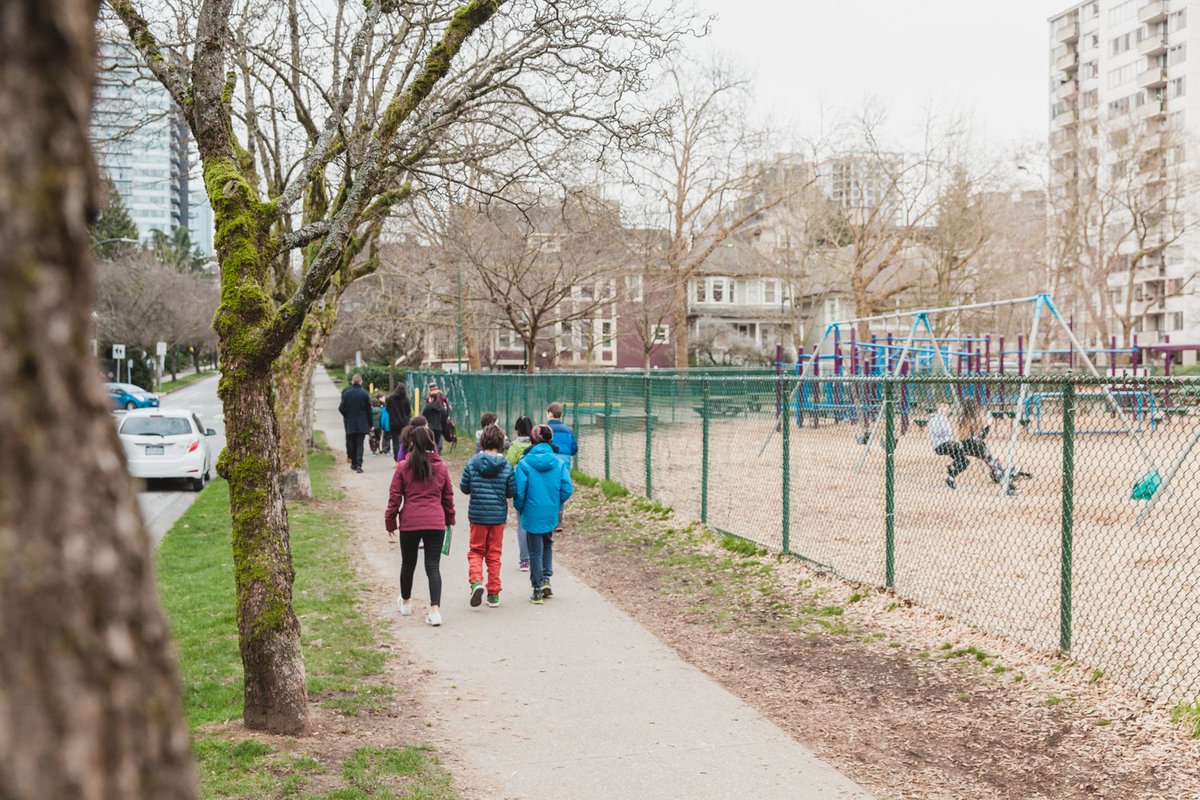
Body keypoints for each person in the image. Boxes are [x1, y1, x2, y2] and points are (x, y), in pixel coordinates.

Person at [384, 427, 455, 626]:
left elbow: (394, 498)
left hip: (410, 522)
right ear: (432, 442)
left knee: (408, 564)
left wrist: (390, 522)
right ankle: (435, 611)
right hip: (435, 522)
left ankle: (406, 602)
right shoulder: (441, 468)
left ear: (412, 443)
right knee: (433, 566)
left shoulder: (403, 467)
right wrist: (449, 520)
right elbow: (448, 497)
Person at [514, 424, 573, 604]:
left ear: (532, 440)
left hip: (531, 511)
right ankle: (547, 578)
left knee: (534, 550)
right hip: (550, 510)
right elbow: (567, 488)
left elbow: (519, 492)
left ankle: (537, 587)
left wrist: (520, 507)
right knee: (547, 543)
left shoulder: (524, 464)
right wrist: (556, 503)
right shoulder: (559, 463)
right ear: (550, 440)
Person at [460, 425, 515, 608]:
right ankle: (493, 593)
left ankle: (476, 582)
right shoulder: (506, 465)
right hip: (498, 517)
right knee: (494, 554)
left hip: (477, 516)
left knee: (476, 551)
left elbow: (464, 487)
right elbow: (510, 492)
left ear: (482, 441)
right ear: (501, 443)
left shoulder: (472, 462)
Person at [505, 415, 534, 571]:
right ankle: (538, 557)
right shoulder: (535, 444)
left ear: (517, 430)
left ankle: (524, 560)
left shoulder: (515, 446)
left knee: (522, 524)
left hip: (520, 487)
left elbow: (508, 465)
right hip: (535, 487)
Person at [338, 374, 372, 473]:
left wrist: (347, 415)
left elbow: (341, 408)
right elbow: (369, 410)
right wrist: (370, 423)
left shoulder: (347, 393)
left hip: (351, 422)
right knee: (360, 444)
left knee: (352, 443)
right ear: (361, 382)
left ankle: (353, 463)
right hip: (362, 422)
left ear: (352, 381)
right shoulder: (365, 394)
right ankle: (359, 464)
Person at [928, 402, 967, 489]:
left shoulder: (942, 418)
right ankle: (951, 469)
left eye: (945, 407)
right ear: (938, 408)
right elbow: (941, 433)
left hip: (946, 444)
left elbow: (949, 434)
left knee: (964, 462)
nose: (943, 409)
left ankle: (951, 474)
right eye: (941, 406)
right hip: (940, 445)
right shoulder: (935, 419)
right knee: (960, 451)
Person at [545, 402, 578, 468]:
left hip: (549, 464)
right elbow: (574, 449)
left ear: (550, 414)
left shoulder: (545, 429)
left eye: (547, 414)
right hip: (565, 464)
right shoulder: (569, 430)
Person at [385, 384, 412, 456]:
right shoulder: (406, 399)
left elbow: (387, 409)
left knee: (395, 441)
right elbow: (408, 412)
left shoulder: (391, 398)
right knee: (403, 441)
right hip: (404, 423)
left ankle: (396, 458)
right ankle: (402, 456)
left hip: (393, 423)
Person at [422, 388, 449, 453]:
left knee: (427, 446)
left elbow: (423, 418)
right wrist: (446, 434)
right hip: (438, 430)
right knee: (435, 446)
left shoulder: (427, 408)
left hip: (428, 429)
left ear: (432, 398)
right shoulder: (442, 409)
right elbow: (444, 422)